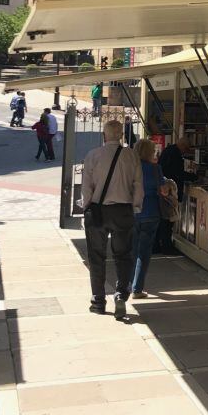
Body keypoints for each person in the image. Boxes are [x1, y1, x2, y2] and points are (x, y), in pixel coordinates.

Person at [80, 119, 143, 319]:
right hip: (123, 210)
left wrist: (87, 205)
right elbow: (138, 186)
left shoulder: (93, 155)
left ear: (104, 136)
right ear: (122, 136)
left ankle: (98, 301)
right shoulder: (131, 155)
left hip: (98, 211)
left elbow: (86, 187)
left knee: (96, 256)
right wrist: (136, 207)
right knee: (123, 255)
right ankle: (121, 296)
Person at [131, 139, 171, 297]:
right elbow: (164, 192)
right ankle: (137, 288)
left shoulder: (130, 168)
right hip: (151, 213)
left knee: (132, 250)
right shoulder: (156, 169)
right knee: (144, 252)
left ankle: (127, 284)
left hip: (133, 212)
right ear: (150, 152)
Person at [155, 136, 196, 254]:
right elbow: (177, 173)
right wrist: (193, 177)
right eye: (187, 149)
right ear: (182, 145)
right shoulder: (175, 154)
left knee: (164, 220)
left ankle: (158, 245)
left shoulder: (168, 151)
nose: (186, 152)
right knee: (168, 220)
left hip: (164, 189)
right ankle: (167, 247)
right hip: (170, 191)